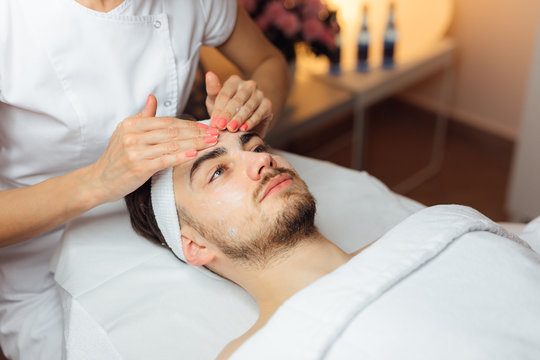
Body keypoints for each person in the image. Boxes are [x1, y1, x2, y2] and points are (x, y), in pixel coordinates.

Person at [0, 0, 289, 358]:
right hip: (39, 258)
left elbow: (269, 63)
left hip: (173, 227)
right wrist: (97, 181)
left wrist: (251, 109)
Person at [126, 129, 540, 360]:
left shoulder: (437, 228)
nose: (260, 160)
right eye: (217, 172)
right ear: (192, 244)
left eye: (254, 147)